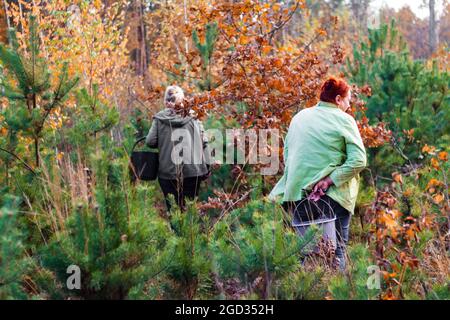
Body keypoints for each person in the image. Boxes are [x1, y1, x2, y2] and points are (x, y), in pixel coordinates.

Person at [269, 77, 367, 271]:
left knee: (303, 253)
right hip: (332, 196)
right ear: (338, 99)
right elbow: (358, 160)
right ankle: (338, 291)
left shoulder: (299, 117)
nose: (349, 105)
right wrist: (330, 179)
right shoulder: (344, 120)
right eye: (348, 100)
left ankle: (301, 291)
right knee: (337, 250)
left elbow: (288, 157)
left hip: (297, 196)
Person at [145, 85, 210, 211]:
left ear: (166, 100)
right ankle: (190, 230)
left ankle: (176, 231)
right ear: (182, 100)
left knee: (173, 210)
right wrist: (207, 166)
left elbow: (150, 141)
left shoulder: (159, 118)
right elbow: (204, 142)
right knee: (190, 208)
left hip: (168, 172)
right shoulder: (194, 117)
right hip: (193, 171)